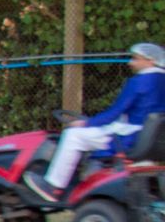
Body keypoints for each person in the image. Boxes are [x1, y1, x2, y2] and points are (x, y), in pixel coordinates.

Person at [22, 42, 165, 204]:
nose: (130, 63)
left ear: (150, 60)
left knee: (73, 135)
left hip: (129, 137)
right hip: (151, 138)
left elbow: (115, 112)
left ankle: (53, 186)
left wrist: (87, 123)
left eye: (135, 59)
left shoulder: (139, 82)